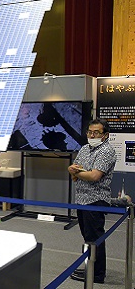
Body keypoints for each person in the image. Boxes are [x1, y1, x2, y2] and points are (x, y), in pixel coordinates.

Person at [67, 119, 116, 284]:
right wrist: (76, 171)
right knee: (88, 237)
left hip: (95, 201)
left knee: (95, 238)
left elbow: (94, 176)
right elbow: (75, 174)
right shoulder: (85, 149)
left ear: (105, 135)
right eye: (90, 132)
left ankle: (97, 274)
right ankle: (91, 267)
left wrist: (77, 171)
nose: (92, 135)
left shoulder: (106, 151)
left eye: (96, 132)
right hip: (81, 200)